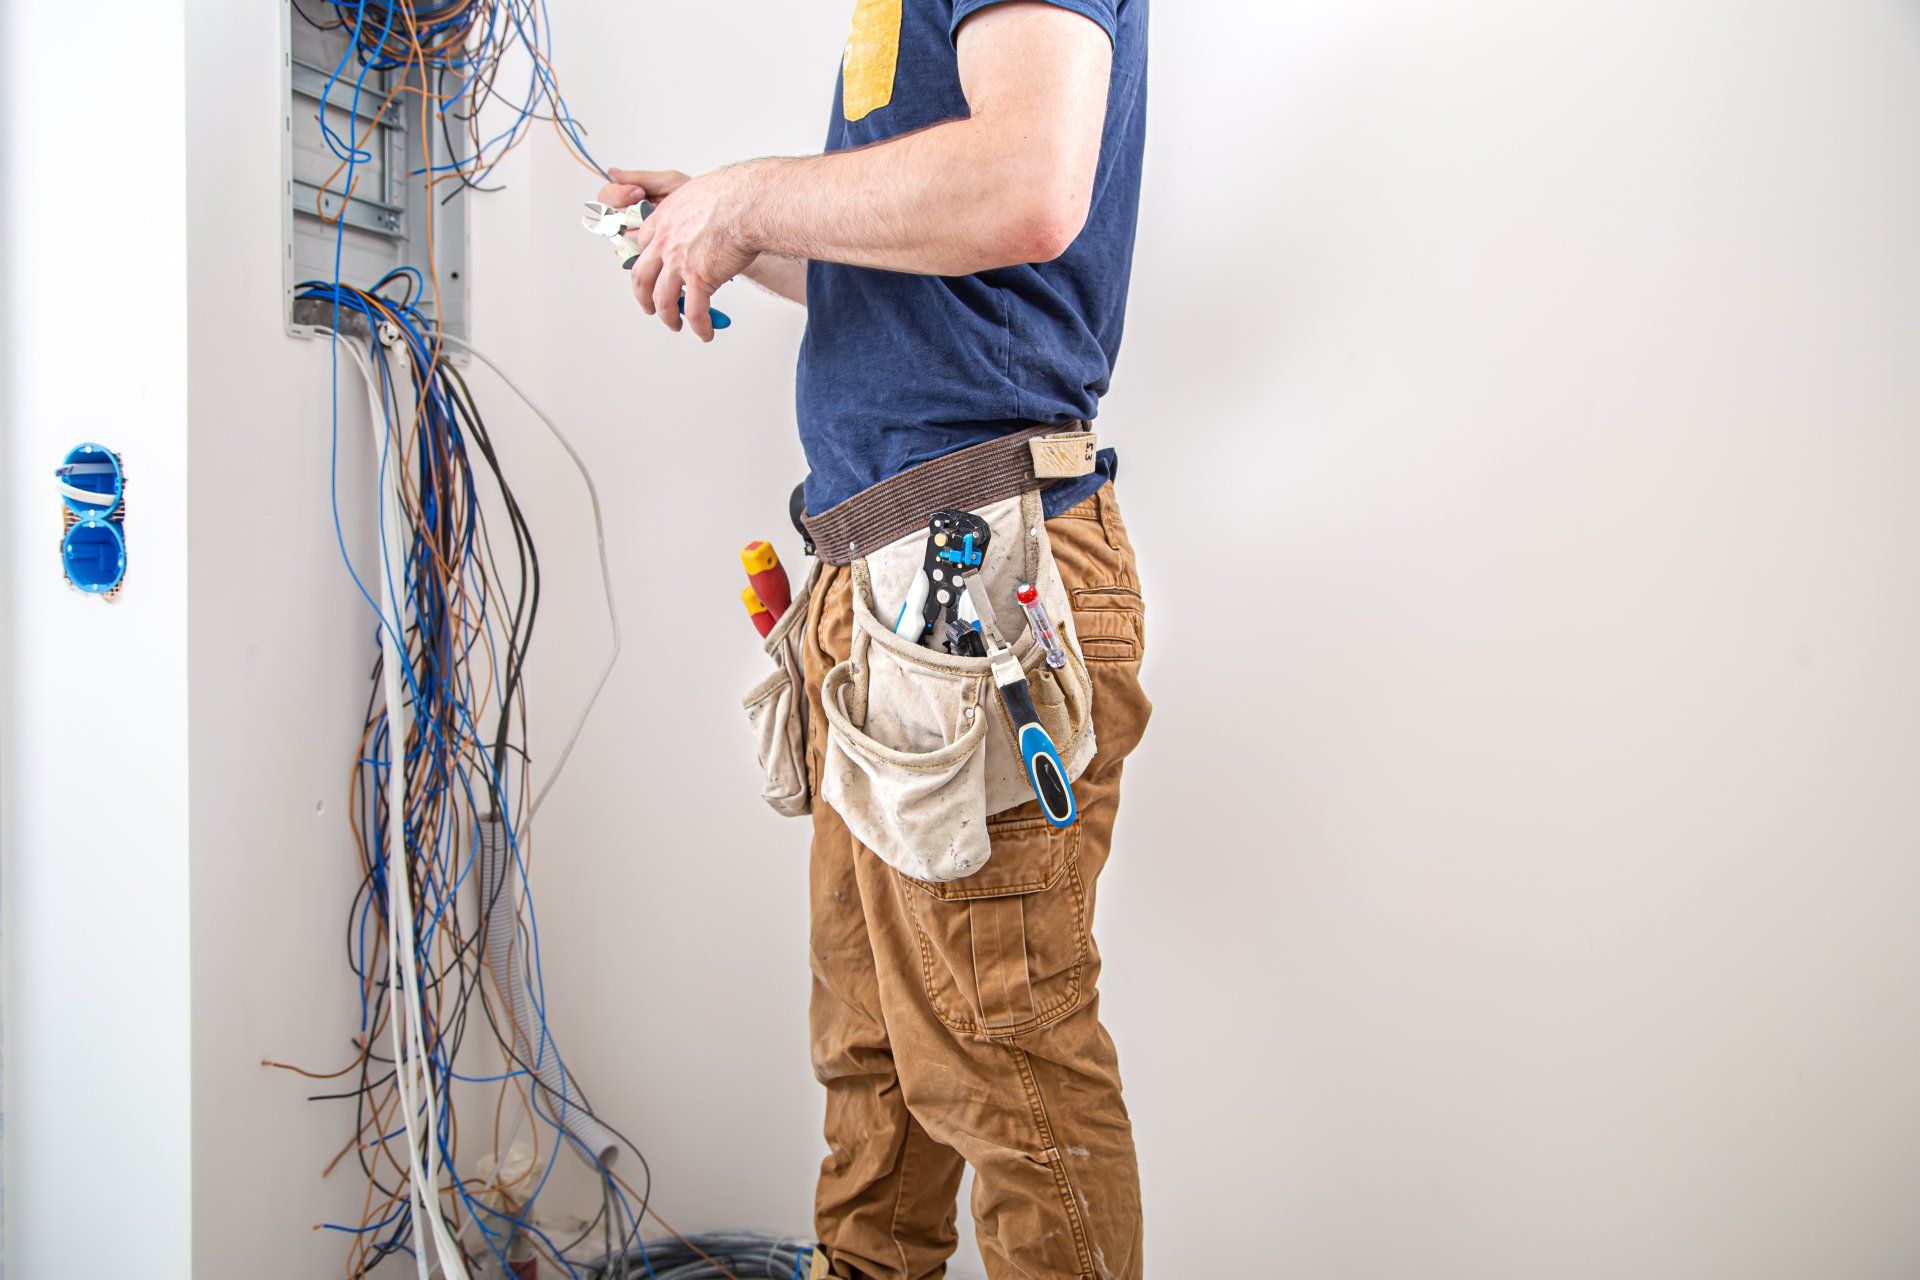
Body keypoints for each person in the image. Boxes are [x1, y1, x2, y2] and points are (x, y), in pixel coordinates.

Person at [598, 2, 1149, 1275]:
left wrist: (749, 198)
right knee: (879, 1064)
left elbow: (1025, 186)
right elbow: (934, 257)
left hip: (978, 588)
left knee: (1008, 1072)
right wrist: (738, 224)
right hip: (885, 589)